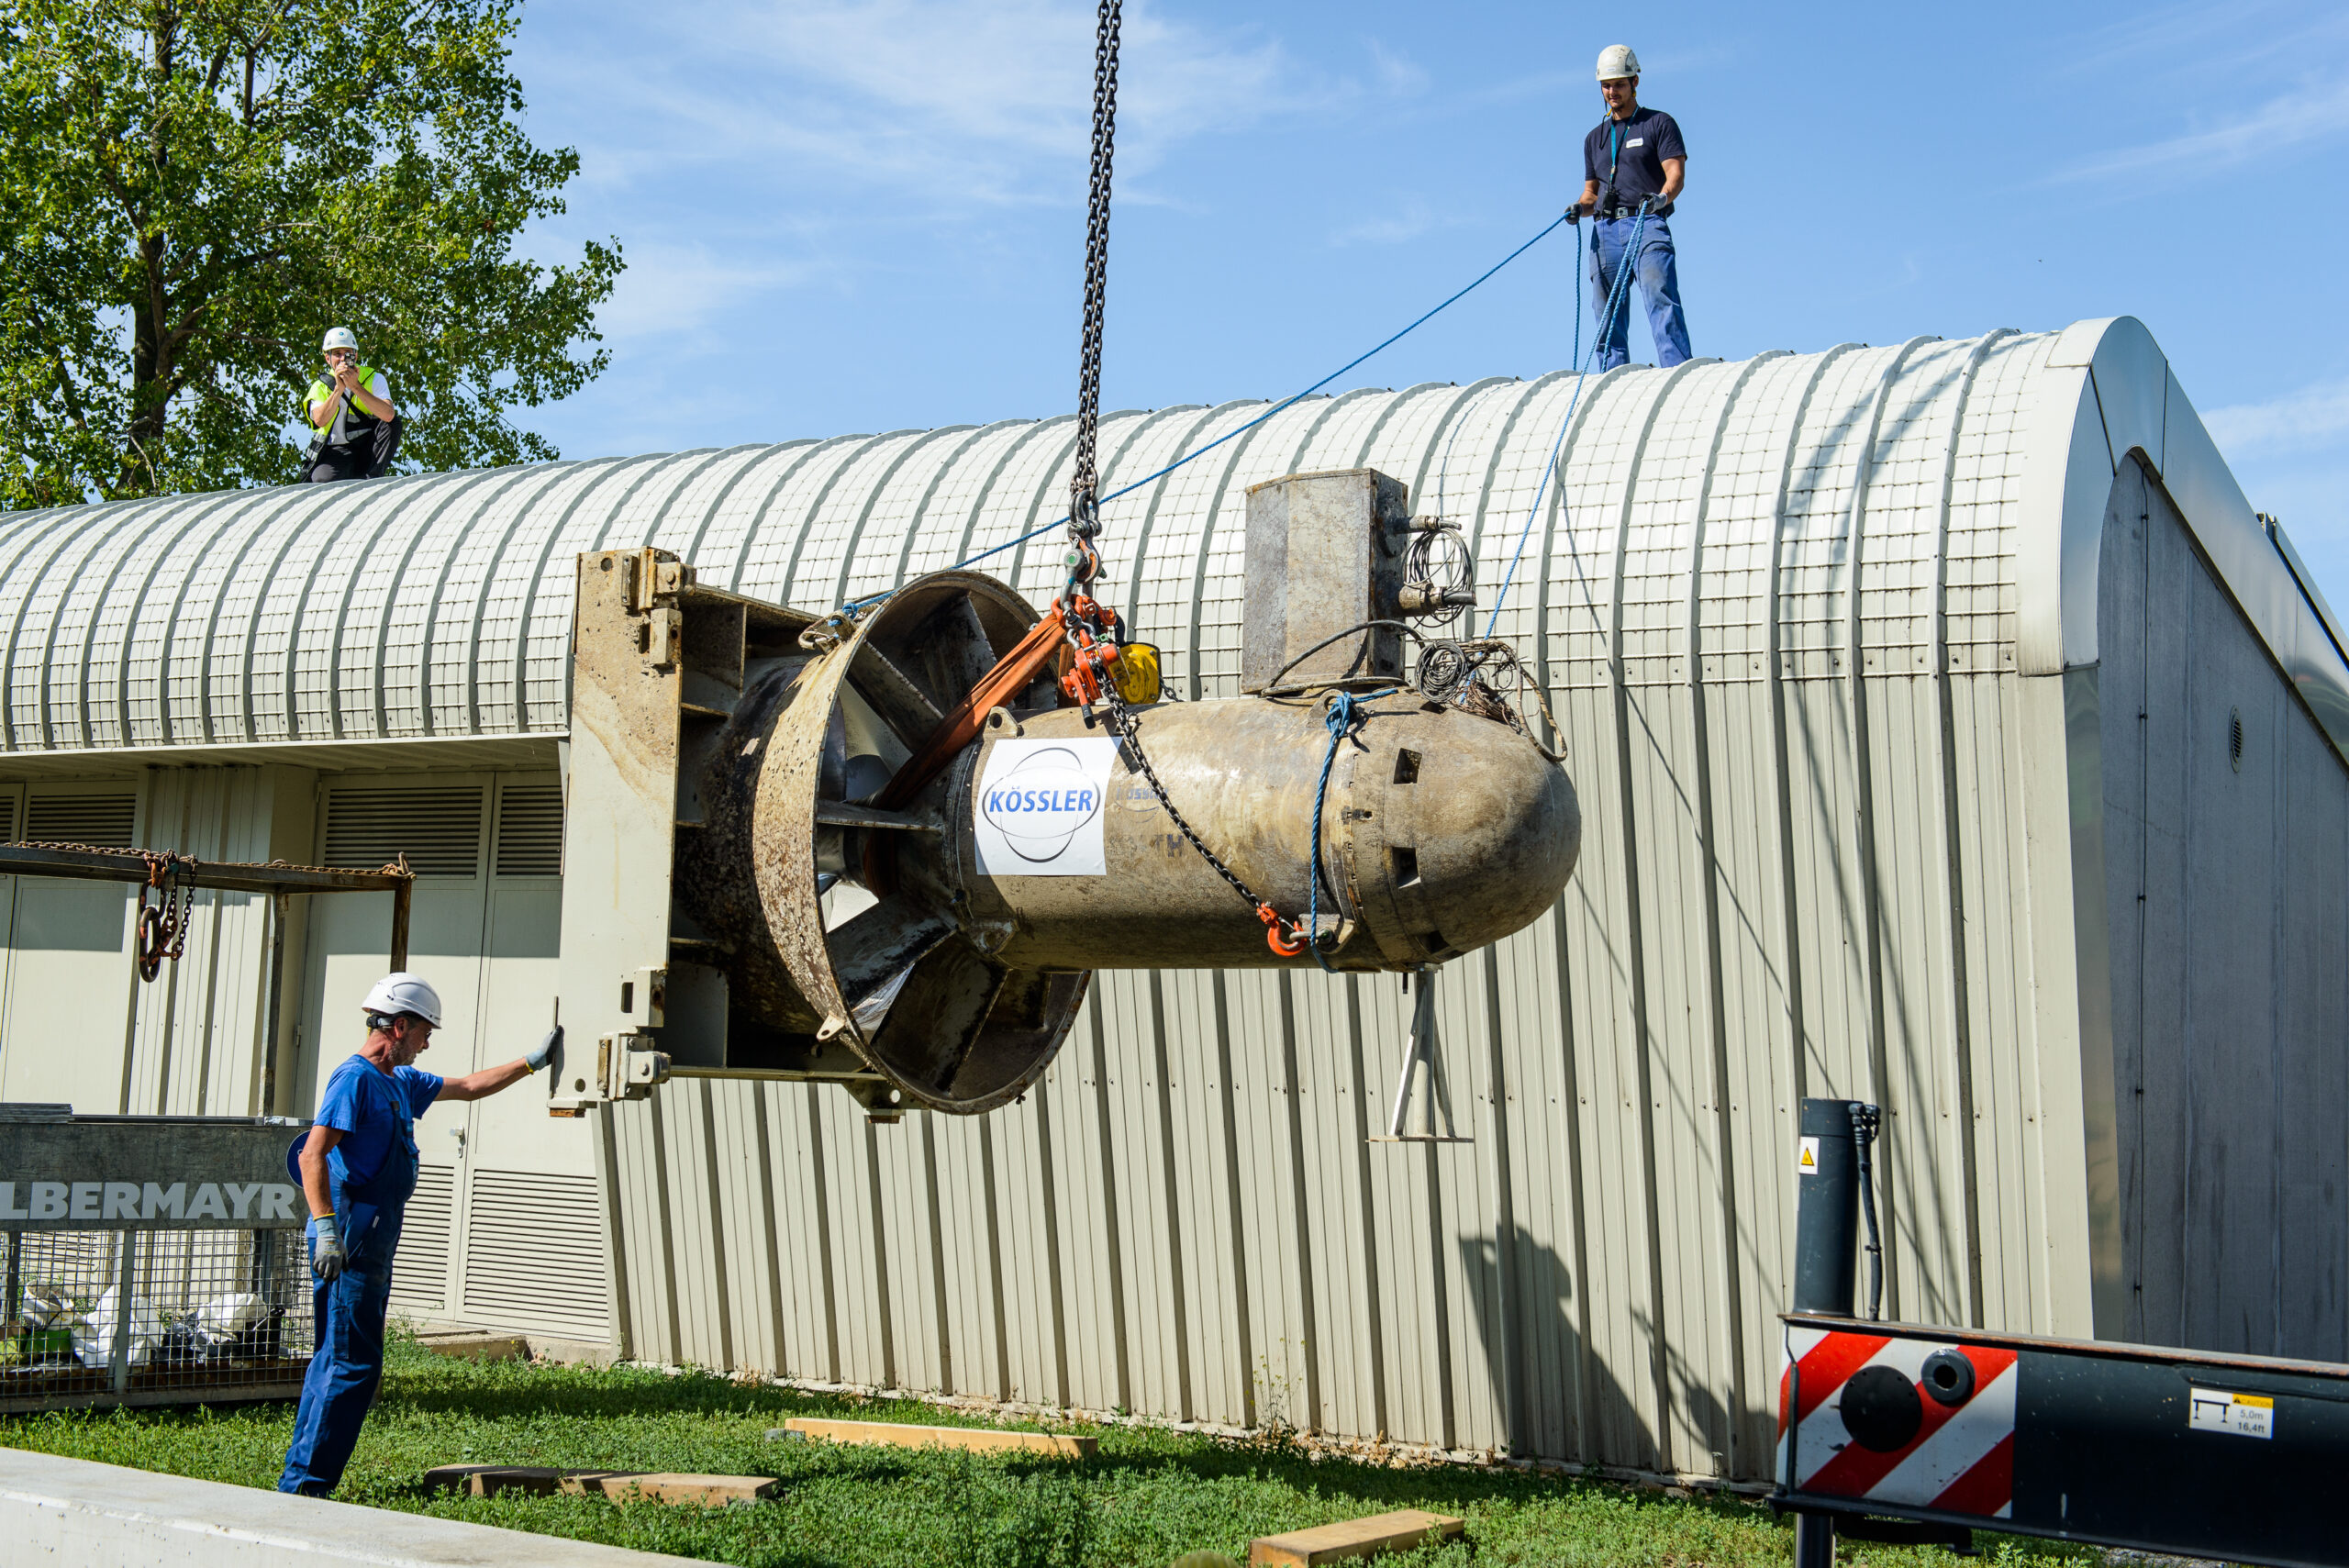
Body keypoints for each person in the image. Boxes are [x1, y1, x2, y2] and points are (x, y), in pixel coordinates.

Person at [277, 973, 559, 1496]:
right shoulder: (355, 1079)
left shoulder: (401, 1081)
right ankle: (305, 1491)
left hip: (371, 1244)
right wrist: (326, 1230)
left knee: (336, 1361)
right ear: (400, 1026)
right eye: (426, 1032)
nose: (428, 1043)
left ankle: (302, 1484)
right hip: (349, 1246)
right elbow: (312, 1155)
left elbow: (469, 1087)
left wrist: (531, 1063)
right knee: (350, 1367)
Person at [1567, 45, 1690, 370]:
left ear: (1635, 82)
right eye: (1606, 86)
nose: (1612, 92)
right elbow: (1590, 194)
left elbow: (1675, 176)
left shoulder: (1658, 123)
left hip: (1647, 223)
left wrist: (1661, 198)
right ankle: (1613, 379)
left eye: (1619, 84)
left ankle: (1678, 372)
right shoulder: (1594, 139)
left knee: (1659, 295)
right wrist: (1578, 209)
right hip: (1605, 232)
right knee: (1605, 313)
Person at [304, 327, 401, 483]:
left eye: (347, 353)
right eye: (337, 354)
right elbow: (320, 420)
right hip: (337, 452)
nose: (343, 359)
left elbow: (388, 415)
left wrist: (355, 386)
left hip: (368, 448)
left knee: (393, 423)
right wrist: (338, 389)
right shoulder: (320, 386)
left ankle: (372, 479)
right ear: (328, 358)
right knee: (322, 480)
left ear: (355, 355)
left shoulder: (373, 378)